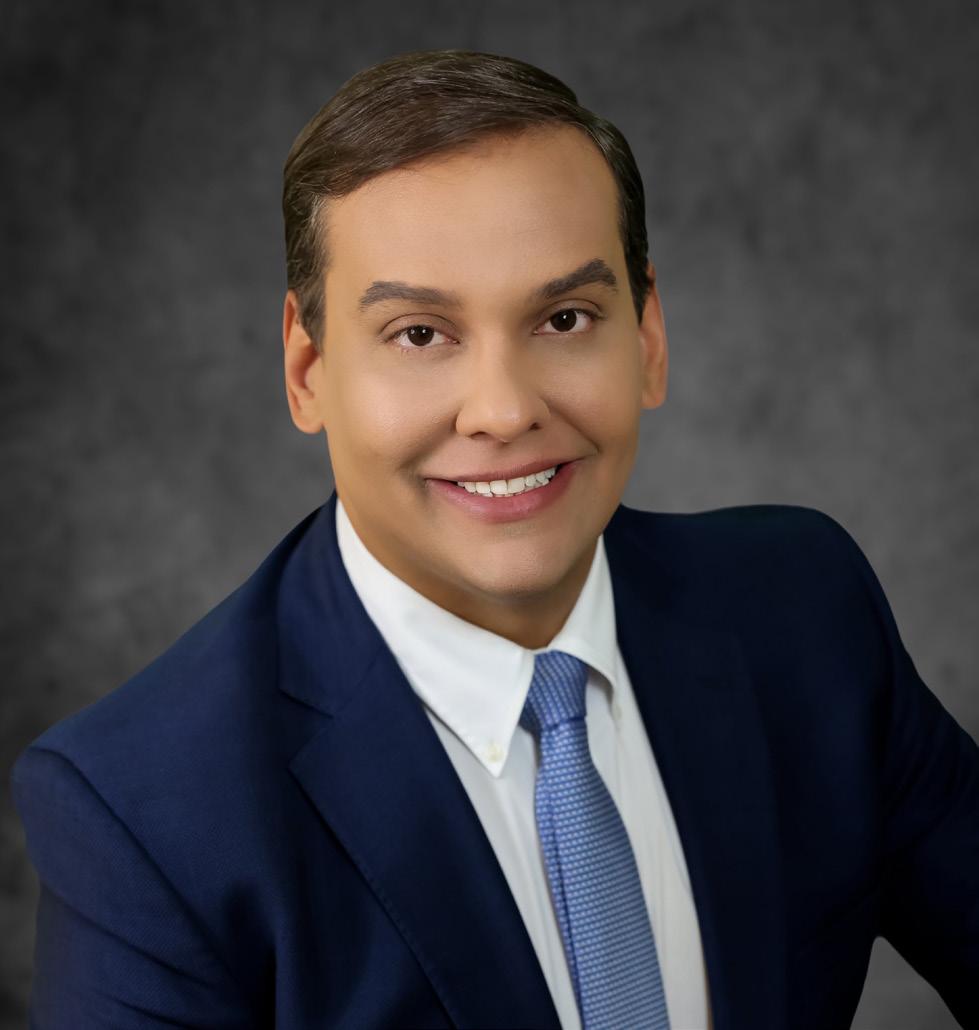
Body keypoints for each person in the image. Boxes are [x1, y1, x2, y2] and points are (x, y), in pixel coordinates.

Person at [10, 48, 978, 1030]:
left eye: (563, 318)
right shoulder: (144, 811)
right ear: (307, 371)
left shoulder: (804, 613)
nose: (505, 410)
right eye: (419, 334)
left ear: (646, 338)